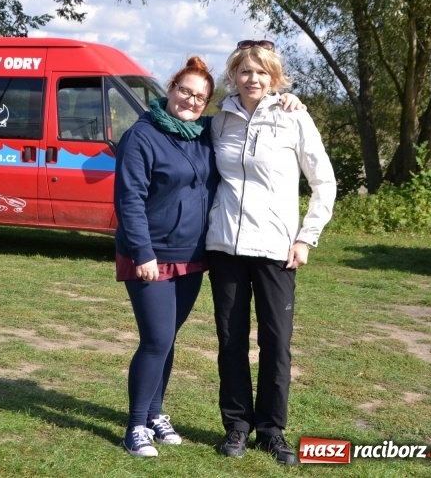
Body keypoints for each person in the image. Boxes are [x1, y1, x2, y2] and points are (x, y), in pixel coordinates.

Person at [113, 55, 304, 458]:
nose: (191, 100)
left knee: (168, 340)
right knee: (156, 339)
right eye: (184, 91)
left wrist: (290, 100)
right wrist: (144, 253)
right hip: (150, 256)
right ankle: (134, 426)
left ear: (208, 102)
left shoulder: (203, 133)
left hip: (192, 255)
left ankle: (155, 414)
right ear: (170, 89)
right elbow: (129, 199)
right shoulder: (141, 136)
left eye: (200, 96)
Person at [206, 39, 337, 466]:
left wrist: (306, 237)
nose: (253, 78)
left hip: (277, 250)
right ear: (233, 76)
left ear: (274, 78)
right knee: (231, 340)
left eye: (261, 72)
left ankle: (272, 430)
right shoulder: (219, 120)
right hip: (225, 246)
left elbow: (324, 182)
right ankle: (237, 427)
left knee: (276, 343)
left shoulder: (293, 117)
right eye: (245, 71)